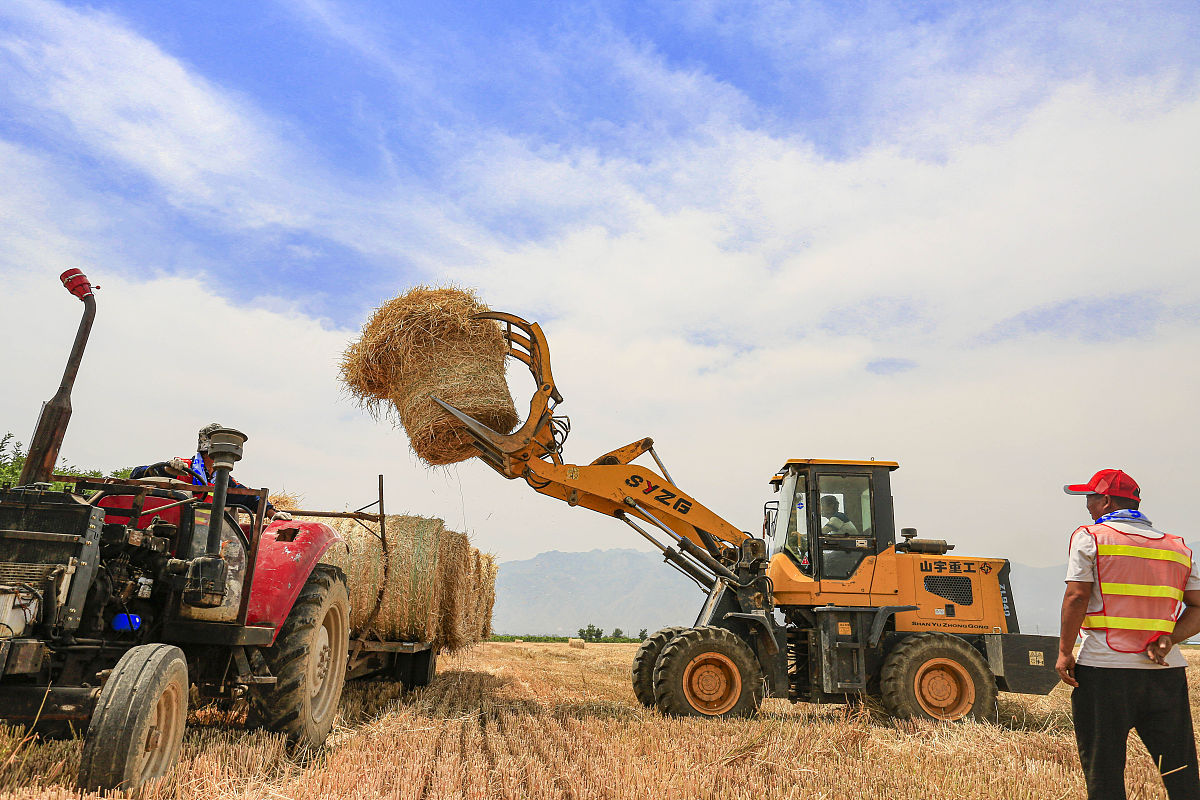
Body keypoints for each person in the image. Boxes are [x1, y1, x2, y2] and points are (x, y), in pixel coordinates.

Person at [1057, 468, 1200, 800]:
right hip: (1166, 674)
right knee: (1180, 774)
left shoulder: (1091, 537)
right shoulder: (1176, 547)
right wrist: (1170, 638)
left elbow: (1077, 596)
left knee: (1104, 773)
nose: (1087, 505)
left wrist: (1064, 652)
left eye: (1090, 498)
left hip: (1104, 671)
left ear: (1105, 501)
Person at [131, 423, 290, 520]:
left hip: (203, 536)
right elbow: (137, 474)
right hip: (173, 527)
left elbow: (249, 497)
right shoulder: (182, 468)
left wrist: (272, 513)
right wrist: (164, 469)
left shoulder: (222, 479)